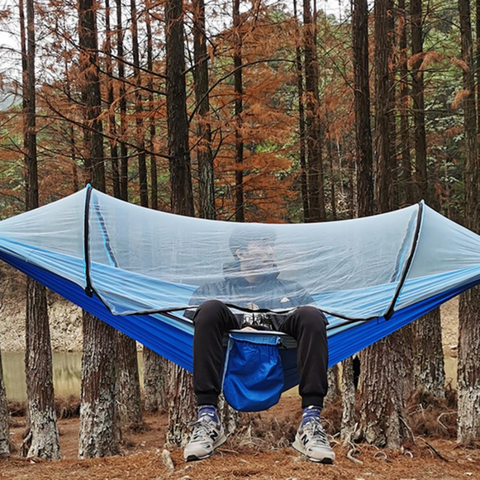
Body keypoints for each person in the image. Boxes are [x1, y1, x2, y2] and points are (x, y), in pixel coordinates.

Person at [183, 228, 334, 464]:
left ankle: (311, 422)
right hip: (226, 360)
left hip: (281, 359)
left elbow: (311, 323)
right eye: (261, 244)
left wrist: (259, 330)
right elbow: (194, 320)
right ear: (240, 253)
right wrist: (240, 328)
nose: (269, 251)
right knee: (210, 308)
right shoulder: (212, 291)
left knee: (312, 316)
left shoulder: (291, 291)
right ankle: (207, 419)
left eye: (270, 245)